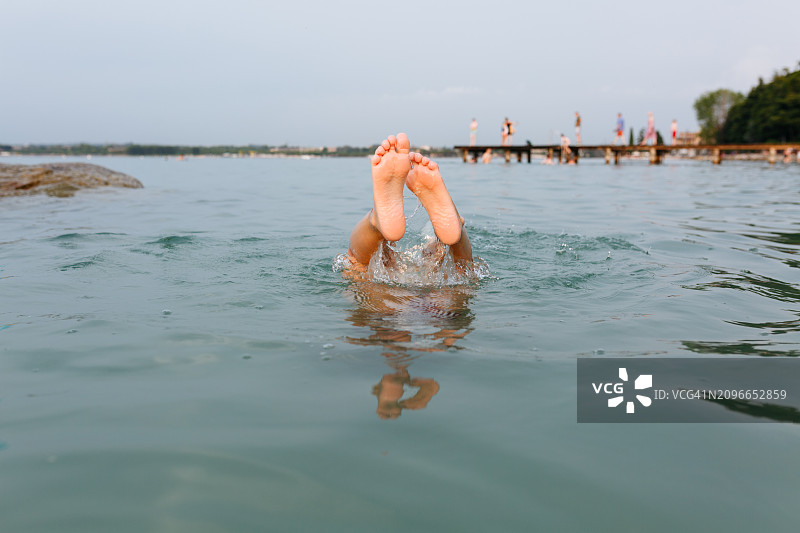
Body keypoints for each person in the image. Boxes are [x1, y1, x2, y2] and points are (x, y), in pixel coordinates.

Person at [347, 133, 473, 271]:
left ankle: (375, 222)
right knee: (463, 268)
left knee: (357, 263)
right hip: (441, 291)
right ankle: (457, 231)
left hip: (383, 291)